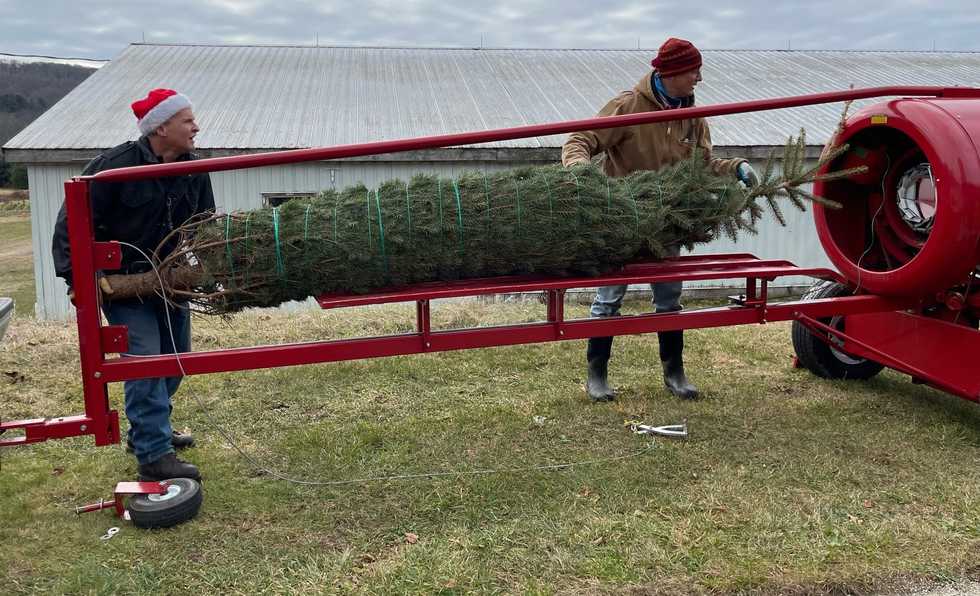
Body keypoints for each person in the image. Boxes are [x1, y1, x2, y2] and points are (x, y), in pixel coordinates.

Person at [562, 38, 758, 402]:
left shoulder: (693, 117)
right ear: (671, 73)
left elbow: (702, 166)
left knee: (669, 300)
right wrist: (581, 175)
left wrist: (734, 167)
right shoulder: (629, 106)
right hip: (623, 220)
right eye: (693, 71)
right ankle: (597, 375)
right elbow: (580, 140)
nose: (699, 78)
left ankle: (675, 373)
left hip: (667, 223)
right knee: (608, 300)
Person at [52, 89, 215, 480]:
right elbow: (70, 222)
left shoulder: (195, 169)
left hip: (172, 282)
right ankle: (154, 454)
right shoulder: (113, 168)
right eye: (187, 121)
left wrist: (209, 269)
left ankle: (147, 430)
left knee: (175, 362)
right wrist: (78, 278)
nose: (197, 127)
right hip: (124, 284)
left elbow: (204, 223)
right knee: (145, 360)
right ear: (161, 126)